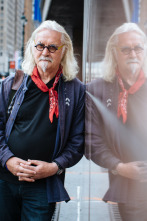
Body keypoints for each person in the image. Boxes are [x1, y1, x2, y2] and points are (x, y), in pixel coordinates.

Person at [0, 20, 85, 221]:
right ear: (32, 48)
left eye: (52, 47)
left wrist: (55, 167)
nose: (45, 52)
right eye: (40, 46)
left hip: (43, 186)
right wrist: (8, 160)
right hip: (4, 181)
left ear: (64, 52)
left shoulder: (75, 90)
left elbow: (78, 140)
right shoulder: (12, 84)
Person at [85, 22, 147, 221]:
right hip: (130, 189)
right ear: (114, 53)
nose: (133, 54)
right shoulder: (97, 90)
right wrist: (119, 167)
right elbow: (91, 141)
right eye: (126, 49)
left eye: (138, 48)